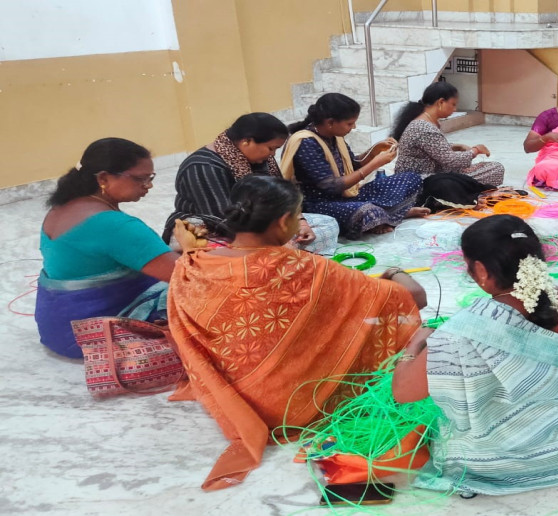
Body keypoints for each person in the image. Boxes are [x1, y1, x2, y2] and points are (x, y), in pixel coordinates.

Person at [166, 176, 428, 490]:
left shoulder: (191, 265)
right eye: (299, 215)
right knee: (385, 313)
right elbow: (411, 297)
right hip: (295, 404)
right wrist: (395, 272)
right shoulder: (304, 269)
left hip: (229, 394)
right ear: (282, 221)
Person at [391, 215, 558, 495]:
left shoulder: (462, 330)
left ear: (481, 270)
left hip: (487, 463)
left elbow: (404, 393)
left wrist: (415, 345)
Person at [37, 138, 179, 358]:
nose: (148, 185)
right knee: (212, 292)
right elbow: (183, 276)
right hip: (95, 336)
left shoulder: (60, 209)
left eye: (150, 178)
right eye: (140, 178)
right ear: (103, 178)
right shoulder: (115, 225)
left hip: (58, 329)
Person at [163, 113, 338, 254]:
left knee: (327, 224)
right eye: (271, 148)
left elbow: (281, 195)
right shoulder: (202, 167)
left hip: (259, 222)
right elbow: (221, 218)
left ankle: (276, 255)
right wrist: (270, 238)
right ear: (246, 141)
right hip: (214, 229)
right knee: (214, 252)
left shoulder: (260, 158)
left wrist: (300, 223)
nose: (272, 155)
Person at [280, 93, 428, 237]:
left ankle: (387, 215)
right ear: (330, 123)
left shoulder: (333, 135)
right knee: (367, 212)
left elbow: (353, 164)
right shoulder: (307, 143)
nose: (354, 127)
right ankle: (393, 213)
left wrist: (374, 151)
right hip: (319, 204)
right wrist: (375, 163)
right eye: (350, 123)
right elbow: (332, 186)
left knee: (411, 178)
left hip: (348, 196)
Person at [392, 82, 505, 187]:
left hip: (431, 174)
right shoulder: (424, 128)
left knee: (478, 168)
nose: (455, 109)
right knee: (495, 169)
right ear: (441, 102)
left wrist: (455, 146)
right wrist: (475, 150)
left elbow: (432, 148)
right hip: (421, 181)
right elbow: (451, 161)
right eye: (453, 104)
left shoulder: (424, 121)